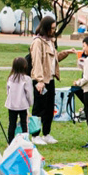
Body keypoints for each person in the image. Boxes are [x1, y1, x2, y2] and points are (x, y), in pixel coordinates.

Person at [30, 17, 71, 145]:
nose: (54, 30)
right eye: (52, 28)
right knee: (39, 108)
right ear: (46, 28)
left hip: (50, 78)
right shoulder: (38, 42)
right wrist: (39, 80)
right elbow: (37, 61)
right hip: (41, 80)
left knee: (49, 108)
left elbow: (53, 59)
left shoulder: (50, 41)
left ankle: (46, 133)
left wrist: (66, 53)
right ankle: (35, 135)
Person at [5, 55, 33, 142]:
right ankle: (25, 140)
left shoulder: (10, 78)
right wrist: (30, 103)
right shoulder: (27, 79)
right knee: (24, 124)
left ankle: (10, 141)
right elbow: (29, 93)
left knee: (12, 124)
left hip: (11, 105)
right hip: (22, 105)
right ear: (24, 66)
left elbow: (8, 91)